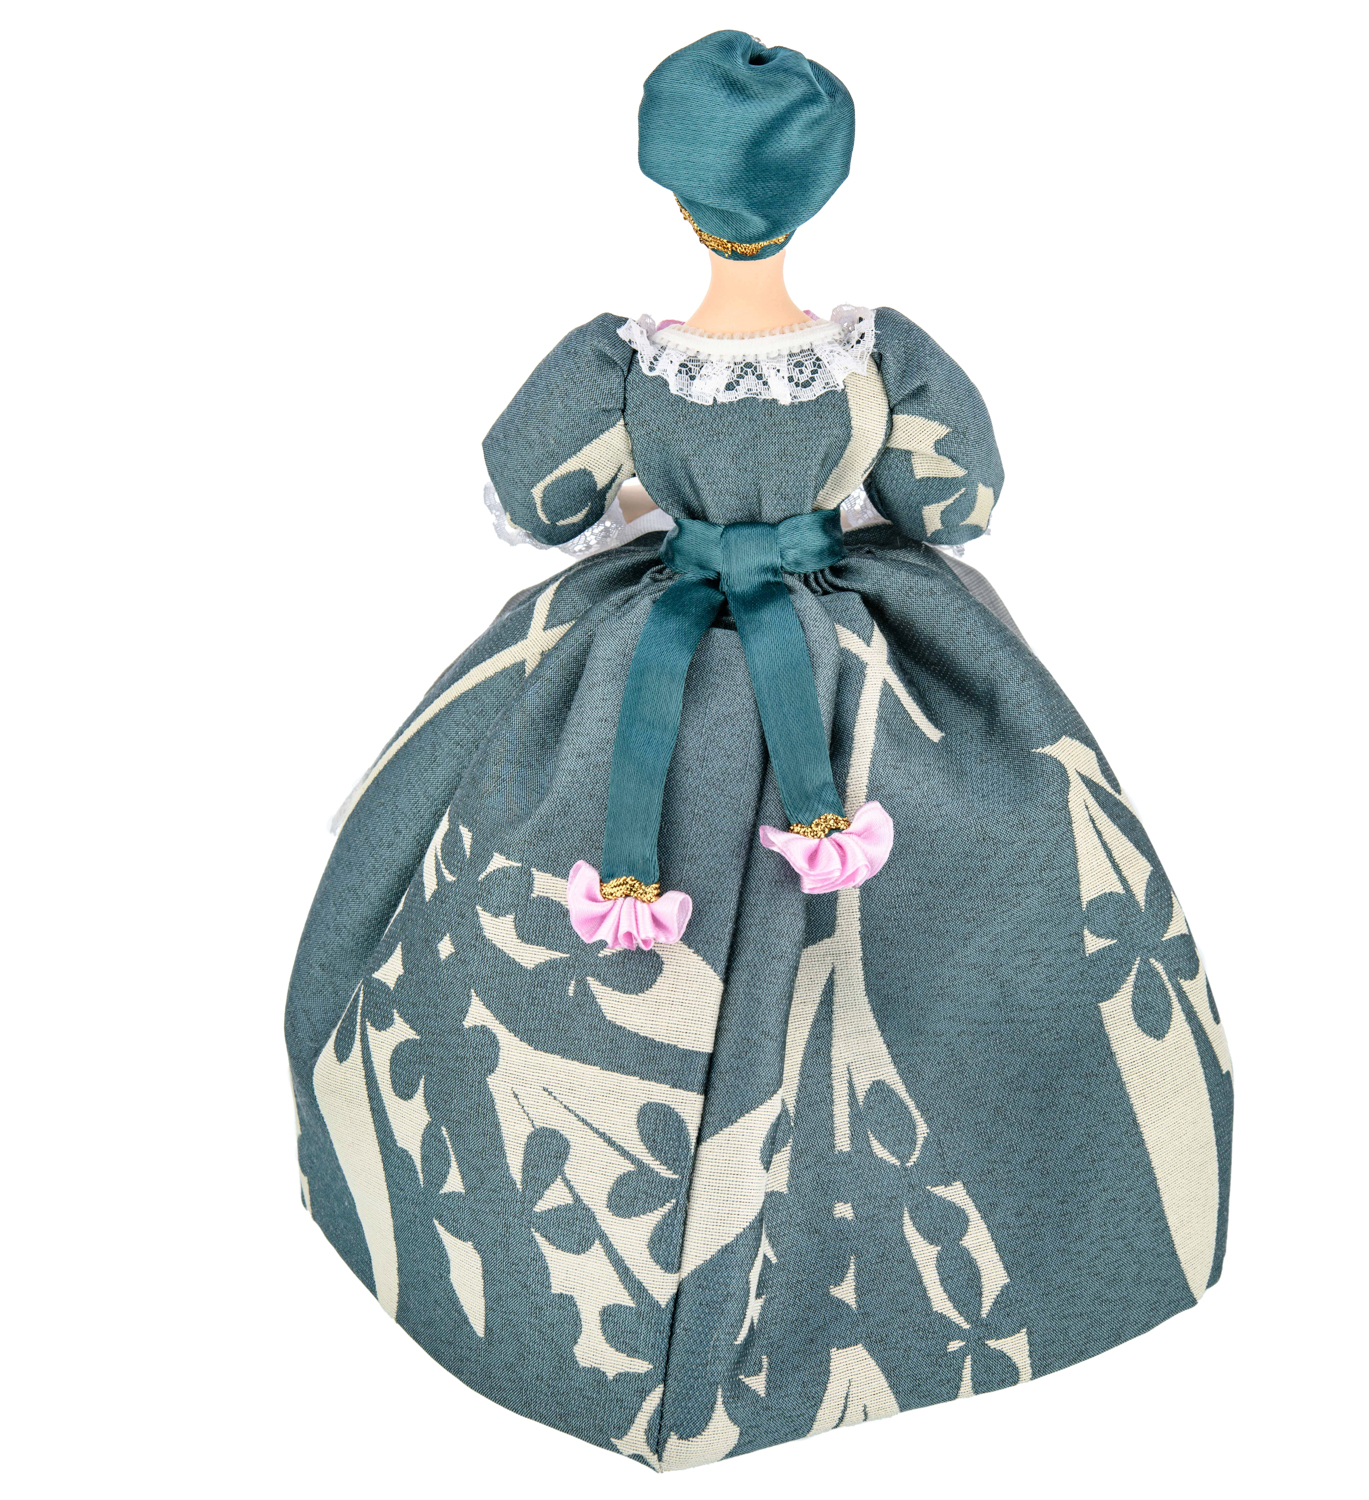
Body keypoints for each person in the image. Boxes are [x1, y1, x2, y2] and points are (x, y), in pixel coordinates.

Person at [286, 29, 1233, 1470]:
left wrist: (646, 496)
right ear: (820, 189)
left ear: (673, 193)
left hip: (645, 646)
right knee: (981, 905)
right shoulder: (877, 358)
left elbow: (528, 499)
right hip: (855, 651)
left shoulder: (621, 368)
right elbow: (958, 501)